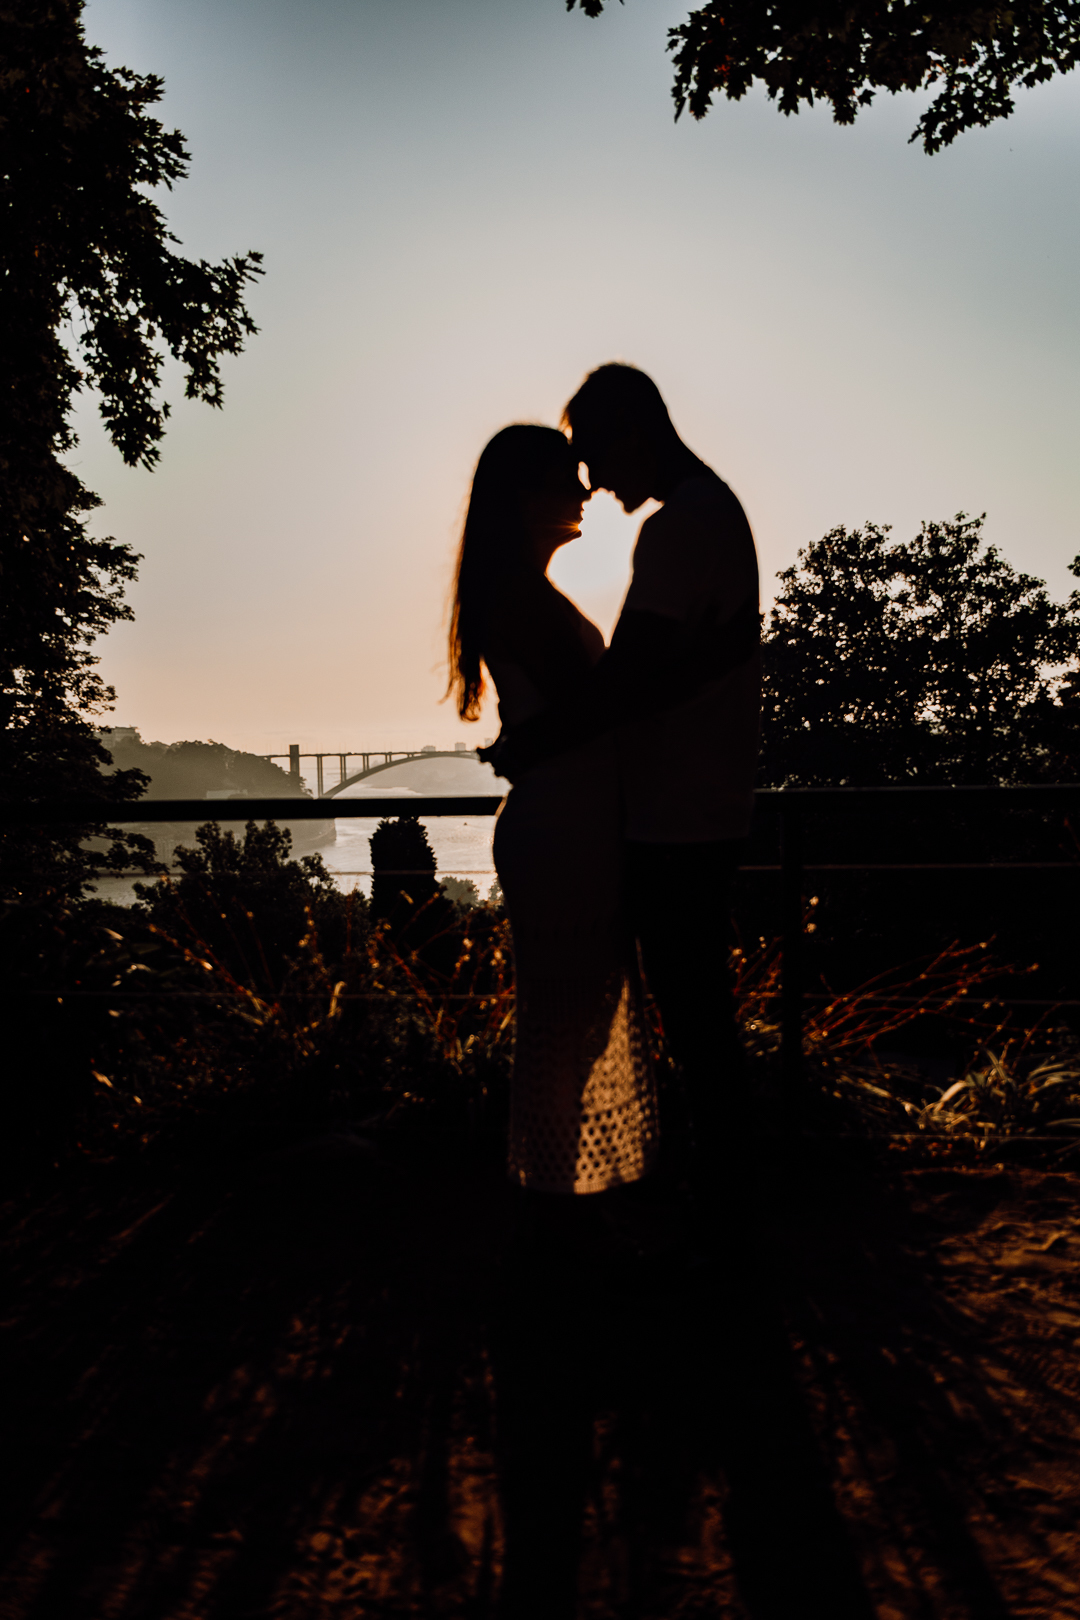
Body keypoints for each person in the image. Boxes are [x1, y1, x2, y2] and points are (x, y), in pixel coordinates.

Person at [483, 365, 762, 1198]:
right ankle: (712, 1209)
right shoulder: (709, 516)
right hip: (682, 809)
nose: (597, 485)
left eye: (598, 458)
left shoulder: (684, 526)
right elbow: (632, 684)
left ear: (635, 435)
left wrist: (529, 745)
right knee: (690, 1019)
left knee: (694, 1022)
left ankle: (719, 1216)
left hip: (678, 817)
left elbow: (626, 681)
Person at [447, 424, 660, 1229]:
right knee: (570, 1022)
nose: (584, 493)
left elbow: (569, 716)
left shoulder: (515, 591)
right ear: (527, 497)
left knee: (567, 1019)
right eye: (567, 480)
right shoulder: (522, 597)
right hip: (567, 830)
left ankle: (560, 1197)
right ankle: (560, 1204)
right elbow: (595, 708)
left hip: (565, 823)